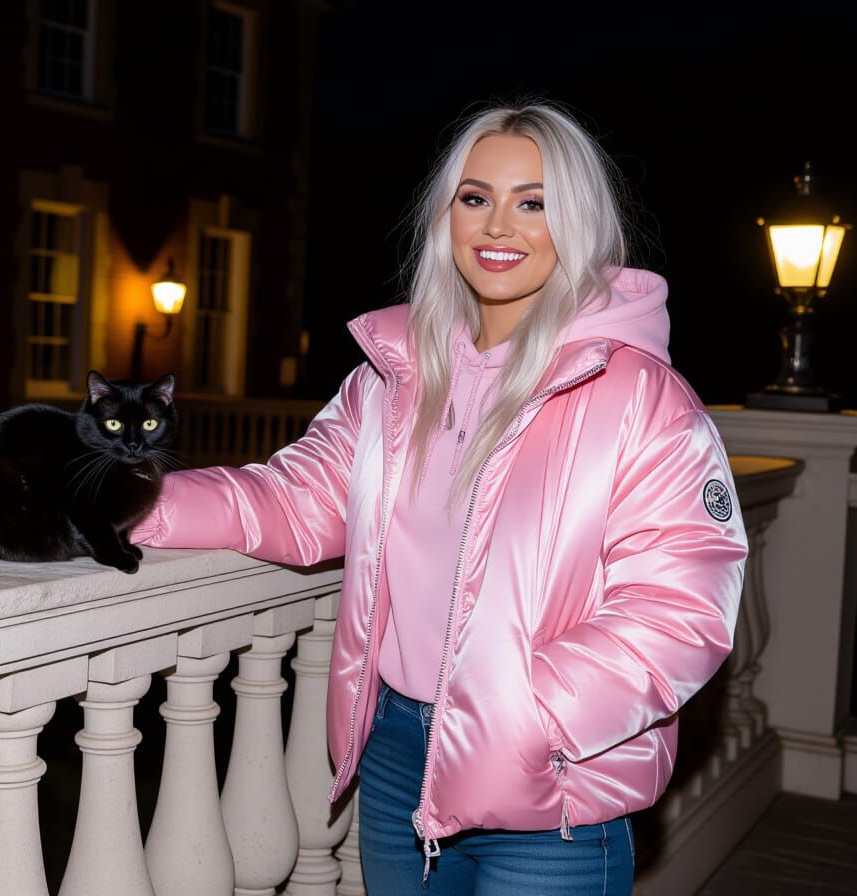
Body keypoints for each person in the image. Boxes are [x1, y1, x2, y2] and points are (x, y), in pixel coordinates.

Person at [131, 100, 747, 895]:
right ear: (445, 215)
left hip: (553, 794)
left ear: (580, 224)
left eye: (534, 203)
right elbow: (290, 500)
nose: (499, 225)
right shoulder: (394, 376)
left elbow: (680, 608)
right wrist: (123, 504)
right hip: (395, 763)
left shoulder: (639, 395)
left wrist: (527, 716)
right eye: (474, 197)